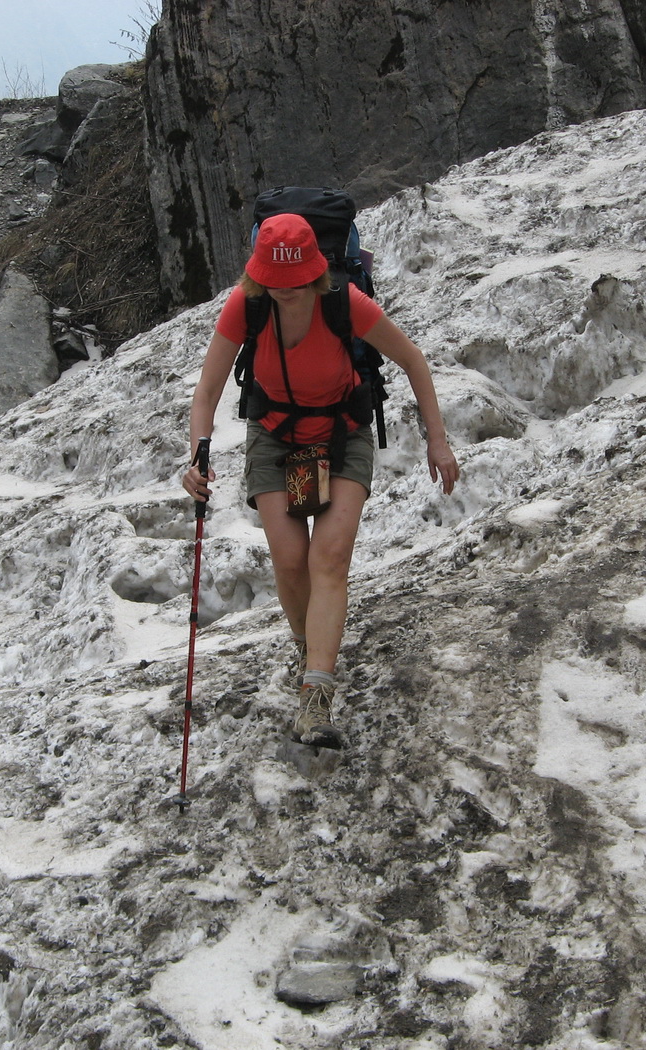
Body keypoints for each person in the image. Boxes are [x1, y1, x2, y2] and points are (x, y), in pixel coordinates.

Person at [182, 212, 459, 749]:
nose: (285, 291)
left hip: (342, 434)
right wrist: (198, 454)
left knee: (327, 559)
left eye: (295, 281)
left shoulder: (344, 303)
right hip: (275, 438)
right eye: (274, 281)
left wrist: (438, 440)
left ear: (315, 272)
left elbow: (412, 360)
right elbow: (207, 392)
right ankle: (307, 646)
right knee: (290, 562)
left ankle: (315, 697)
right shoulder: (246, 305)